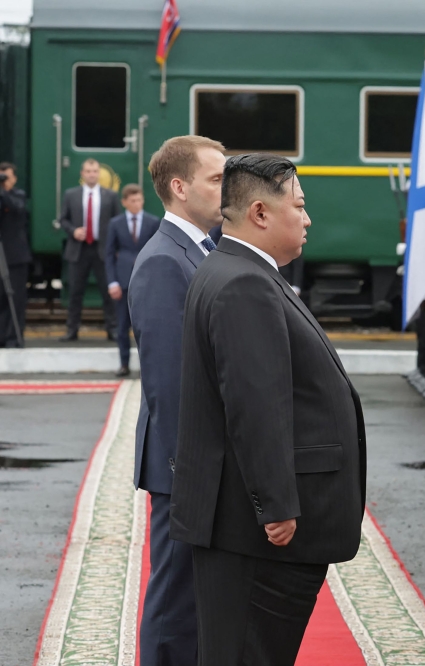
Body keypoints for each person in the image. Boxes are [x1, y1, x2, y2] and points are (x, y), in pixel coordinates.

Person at [170, 153, 366, 665]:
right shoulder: (244, 283)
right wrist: (276, 505)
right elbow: (256, 405)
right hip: (258, 534)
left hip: (242, 522)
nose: (306, 218)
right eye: (298, 206)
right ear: (260, 212)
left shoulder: (234, 270)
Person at [129, 135, 226, 666]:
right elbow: (170, 382)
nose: (225, 187)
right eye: (215, 178)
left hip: (194, 462)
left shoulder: (198, 250)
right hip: (182, 465)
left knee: (193, 599)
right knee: (174, 601)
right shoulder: (165, 261)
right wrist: (189, 471)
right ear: (179, 187)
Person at [59, 158, 121, 341]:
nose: (92, 174)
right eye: (88, 171)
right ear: (82, 174)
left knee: (107, 291)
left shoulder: (110, 195)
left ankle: (112, 329)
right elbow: (63, 219)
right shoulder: (71, 194)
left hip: (102, 250)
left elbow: (117, 222)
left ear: (98, 174)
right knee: (75, 292)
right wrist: (73, 231)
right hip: (78, 249)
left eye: (95, 171)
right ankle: (72, 330)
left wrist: (116, 247)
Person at [105, 184, 161, 377]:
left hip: (146, 283)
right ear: (124, 202)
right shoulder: (115, 224)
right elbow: (109, 254)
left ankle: (149, 366)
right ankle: (124, 364)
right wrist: (112, 282)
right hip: (123, 282)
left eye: (139, 200)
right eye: (133, 201)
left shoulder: (153, 222)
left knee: (146, 327)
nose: (137, 204)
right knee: (122, 326)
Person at [0, 162, 30, 347]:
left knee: (16, 298)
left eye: (6, 176)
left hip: (15, 256)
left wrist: (3, 189)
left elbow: (17, 207)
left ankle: (14, 336)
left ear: (14, 179)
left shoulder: (18, 195)